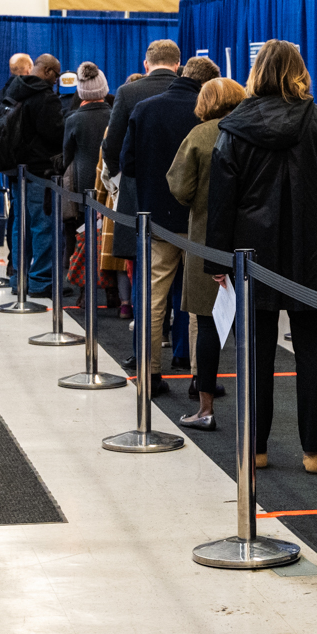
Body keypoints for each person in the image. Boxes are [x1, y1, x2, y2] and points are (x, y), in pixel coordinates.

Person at [206, 40, 317, 474]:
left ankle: (257, 449)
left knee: (256, 353)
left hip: (254, 256)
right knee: (312, 352)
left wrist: (217, 261)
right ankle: (313, 453)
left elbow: (222, 201)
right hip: (314, 252)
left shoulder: (234, 126)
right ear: (299, 71)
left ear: (258, 72)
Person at [120, 57, 220, 396]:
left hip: (156, 220)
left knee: (152, 298)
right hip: (198, 223)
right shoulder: (210, 119)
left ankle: (149, 375)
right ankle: (199, 379)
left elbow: (127, 164)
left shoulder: (145, 109)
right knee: (198, 305)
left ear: (181, 73)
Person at [167, 76, 247, 428]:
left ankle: (205, 410)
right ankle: (253, 419)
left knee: (207, 324)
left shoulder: (199, 135)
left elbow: (180, 186)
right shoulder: (251, 131)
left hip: (205, 238)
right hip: (250, 241)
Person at [102, 41, 183, 263]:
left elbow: (112, 144)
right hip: (182, 195)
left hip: (138, 191)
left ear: (146, 65)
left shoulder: (128, 92)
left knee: (144, 268)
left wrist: (121, 178)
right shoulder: (191, 92)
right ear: (177, 64)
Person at [2, 53, 64, 297]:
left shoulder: (12, 89)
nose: (56, 81)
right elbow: (54, 134)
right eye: (56, 76)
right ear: (48, 71)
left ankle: (19, 278)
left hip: (16, 170)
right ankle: (40, 280)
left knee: (20, 225)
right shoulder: (45, 98)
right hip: (39, 171)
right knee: (42, 225)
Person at [60, 63, 111, 295]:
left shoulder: (73, 119)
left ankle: (85, 291)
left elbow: (66, 156)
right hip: (110, 186)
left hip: (84, 187)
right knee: (111, 238)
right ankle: (115, 293)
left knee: (84, 237)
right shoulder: (114, 115)